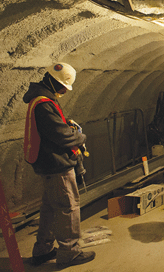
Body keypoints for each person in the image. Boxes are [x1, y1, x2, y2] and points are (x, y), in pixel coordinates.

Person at [22, 62, 95, 268]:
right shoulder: (44, 103)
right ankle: (69, 252)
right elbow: (61, 136)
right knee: (67, 208)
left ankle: (42, 250)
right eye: (64, 87)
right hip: (56, 165)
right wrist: (80, 137)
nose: (65, 91)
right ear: (56, 84)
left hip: (47, 163)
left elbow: (53, 127)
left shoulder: (41, 99)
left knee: (50, 209)